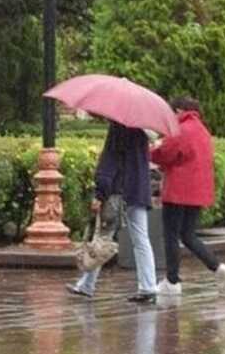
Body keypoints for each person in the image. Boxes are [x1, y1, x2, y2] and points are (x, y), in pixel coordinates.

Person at [66, 122, 159, 303]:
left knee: (102, 238)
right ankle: (148, 287)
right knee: (141, 239)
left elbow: (110, 162)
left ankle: (87, 285)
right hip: (138, 190)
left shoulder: (119, 126)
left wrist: (99, 194)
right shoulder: (143, 129)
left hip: (118, 191)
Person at [150, 97, 225, 297]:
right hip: (197, 192)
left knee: (170, 235)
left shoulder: (180, 129)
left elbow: (166, 154)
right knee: (188, 235)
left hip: (178, 191)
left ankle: (172, 281)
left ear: (178, 110)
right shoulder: (202, 130)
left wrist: (152, 149)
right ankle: (217, 266)